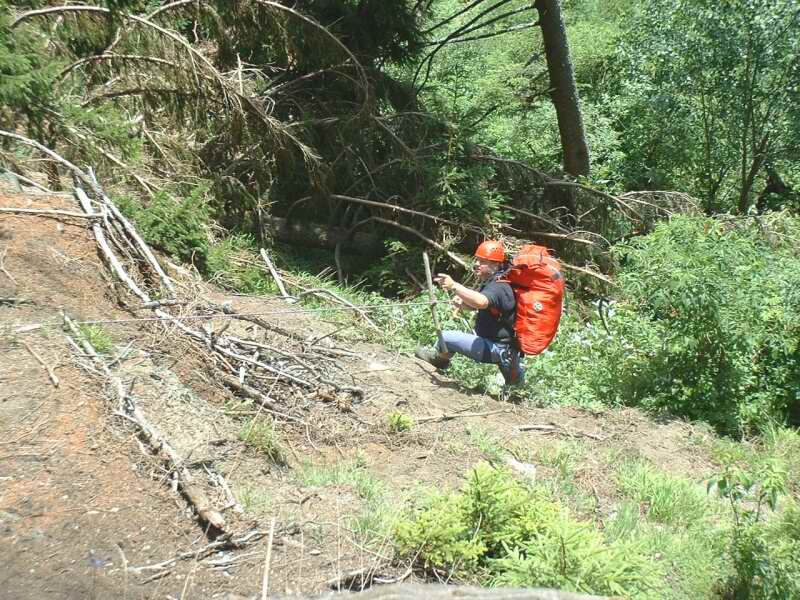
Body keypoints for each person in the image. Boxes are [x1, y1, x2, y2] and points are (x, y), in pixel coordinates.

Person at [415, 240, 524, 386]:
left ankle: (439, 361)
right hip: (504, 350)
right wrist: (464, 304)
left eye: (482, 261)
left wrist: (454, 285)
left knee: (445, 338)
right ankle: (516, 385)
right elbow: (487, 306)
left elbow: (481, 302)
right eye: (477, 260)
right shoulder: (495, 281)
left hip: (497, 348)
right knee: (516, 386)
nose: (477, 264)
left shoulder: (500, 286)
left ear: (495, 264)